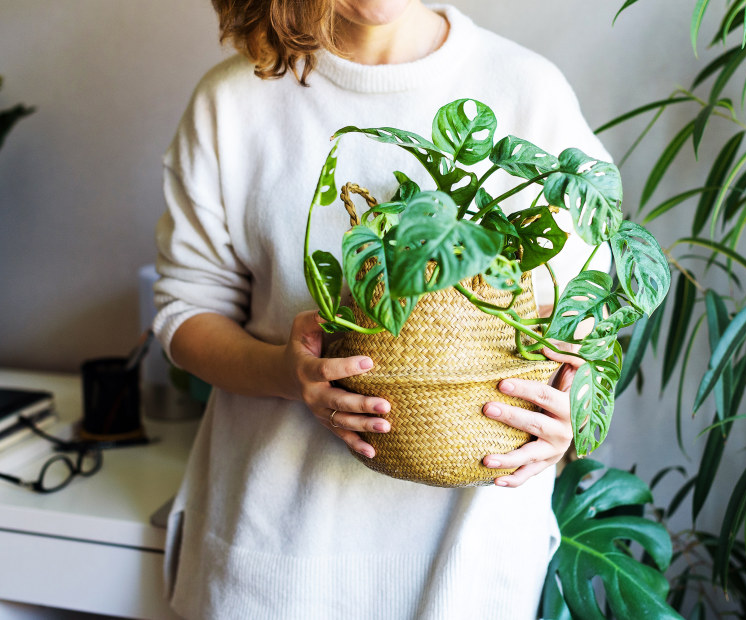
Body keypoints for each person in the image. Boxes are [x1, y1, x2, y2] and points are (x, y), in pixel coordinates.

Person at [153, 1, 611, 617]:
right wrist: (287, 376)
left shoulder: (527, 91)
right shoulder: (233, 103)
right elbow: (187, 312)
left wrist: (564, 424)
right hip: (276, 561)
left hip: (466, 567)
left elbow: (586, 320)